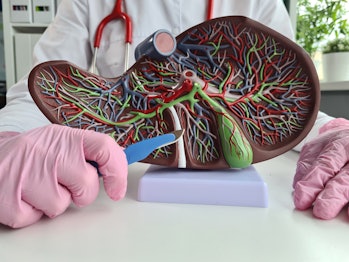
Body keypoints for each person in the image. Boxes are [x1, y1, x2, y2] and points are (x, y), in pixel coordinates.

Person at [0, 0, 347, 228]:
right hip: (117, 210)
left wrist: (333, 132)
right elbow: (36, 95)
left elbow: (291, 97)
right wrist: (7, 141)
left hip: (241, 222)